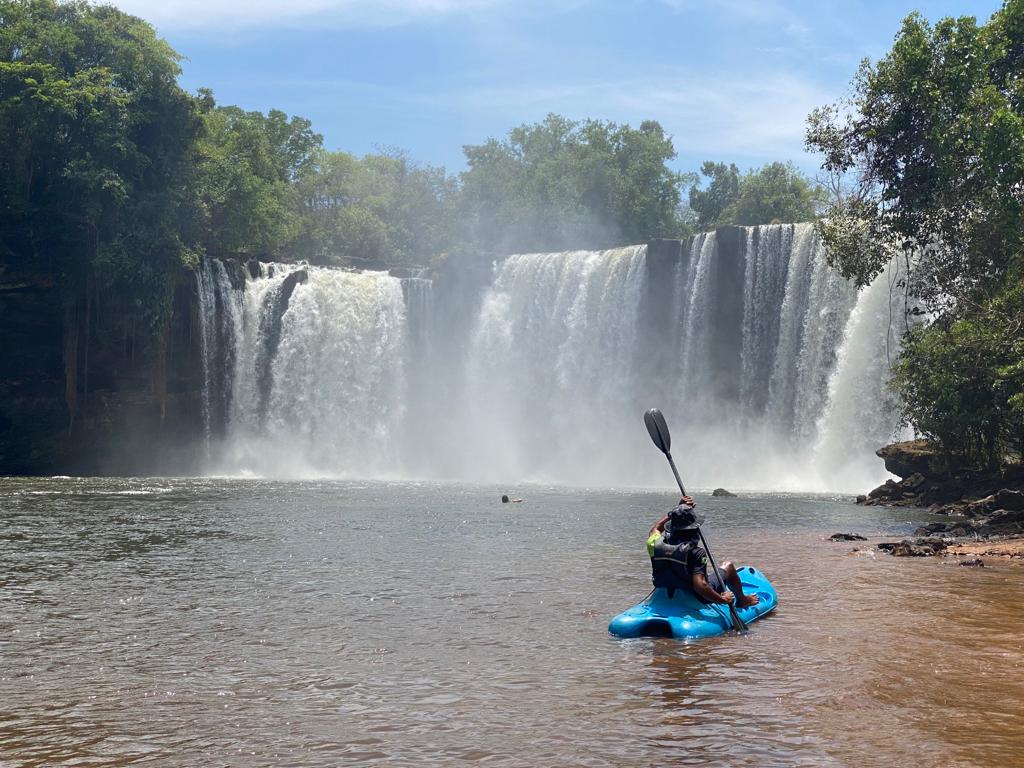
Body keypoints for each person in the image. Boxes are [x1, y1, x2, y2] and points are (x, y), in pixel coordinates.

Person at [648, 498, 759, 608]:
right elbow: (700, 586)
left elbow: (656, 528)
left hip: (664, 586)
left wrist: (676, 512)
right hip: (696, 595)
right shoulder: (697, 553)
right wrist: (723, 600)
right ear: (695, 529)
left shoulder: (654, 543)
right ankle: (742, 600)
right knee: (728, 566)